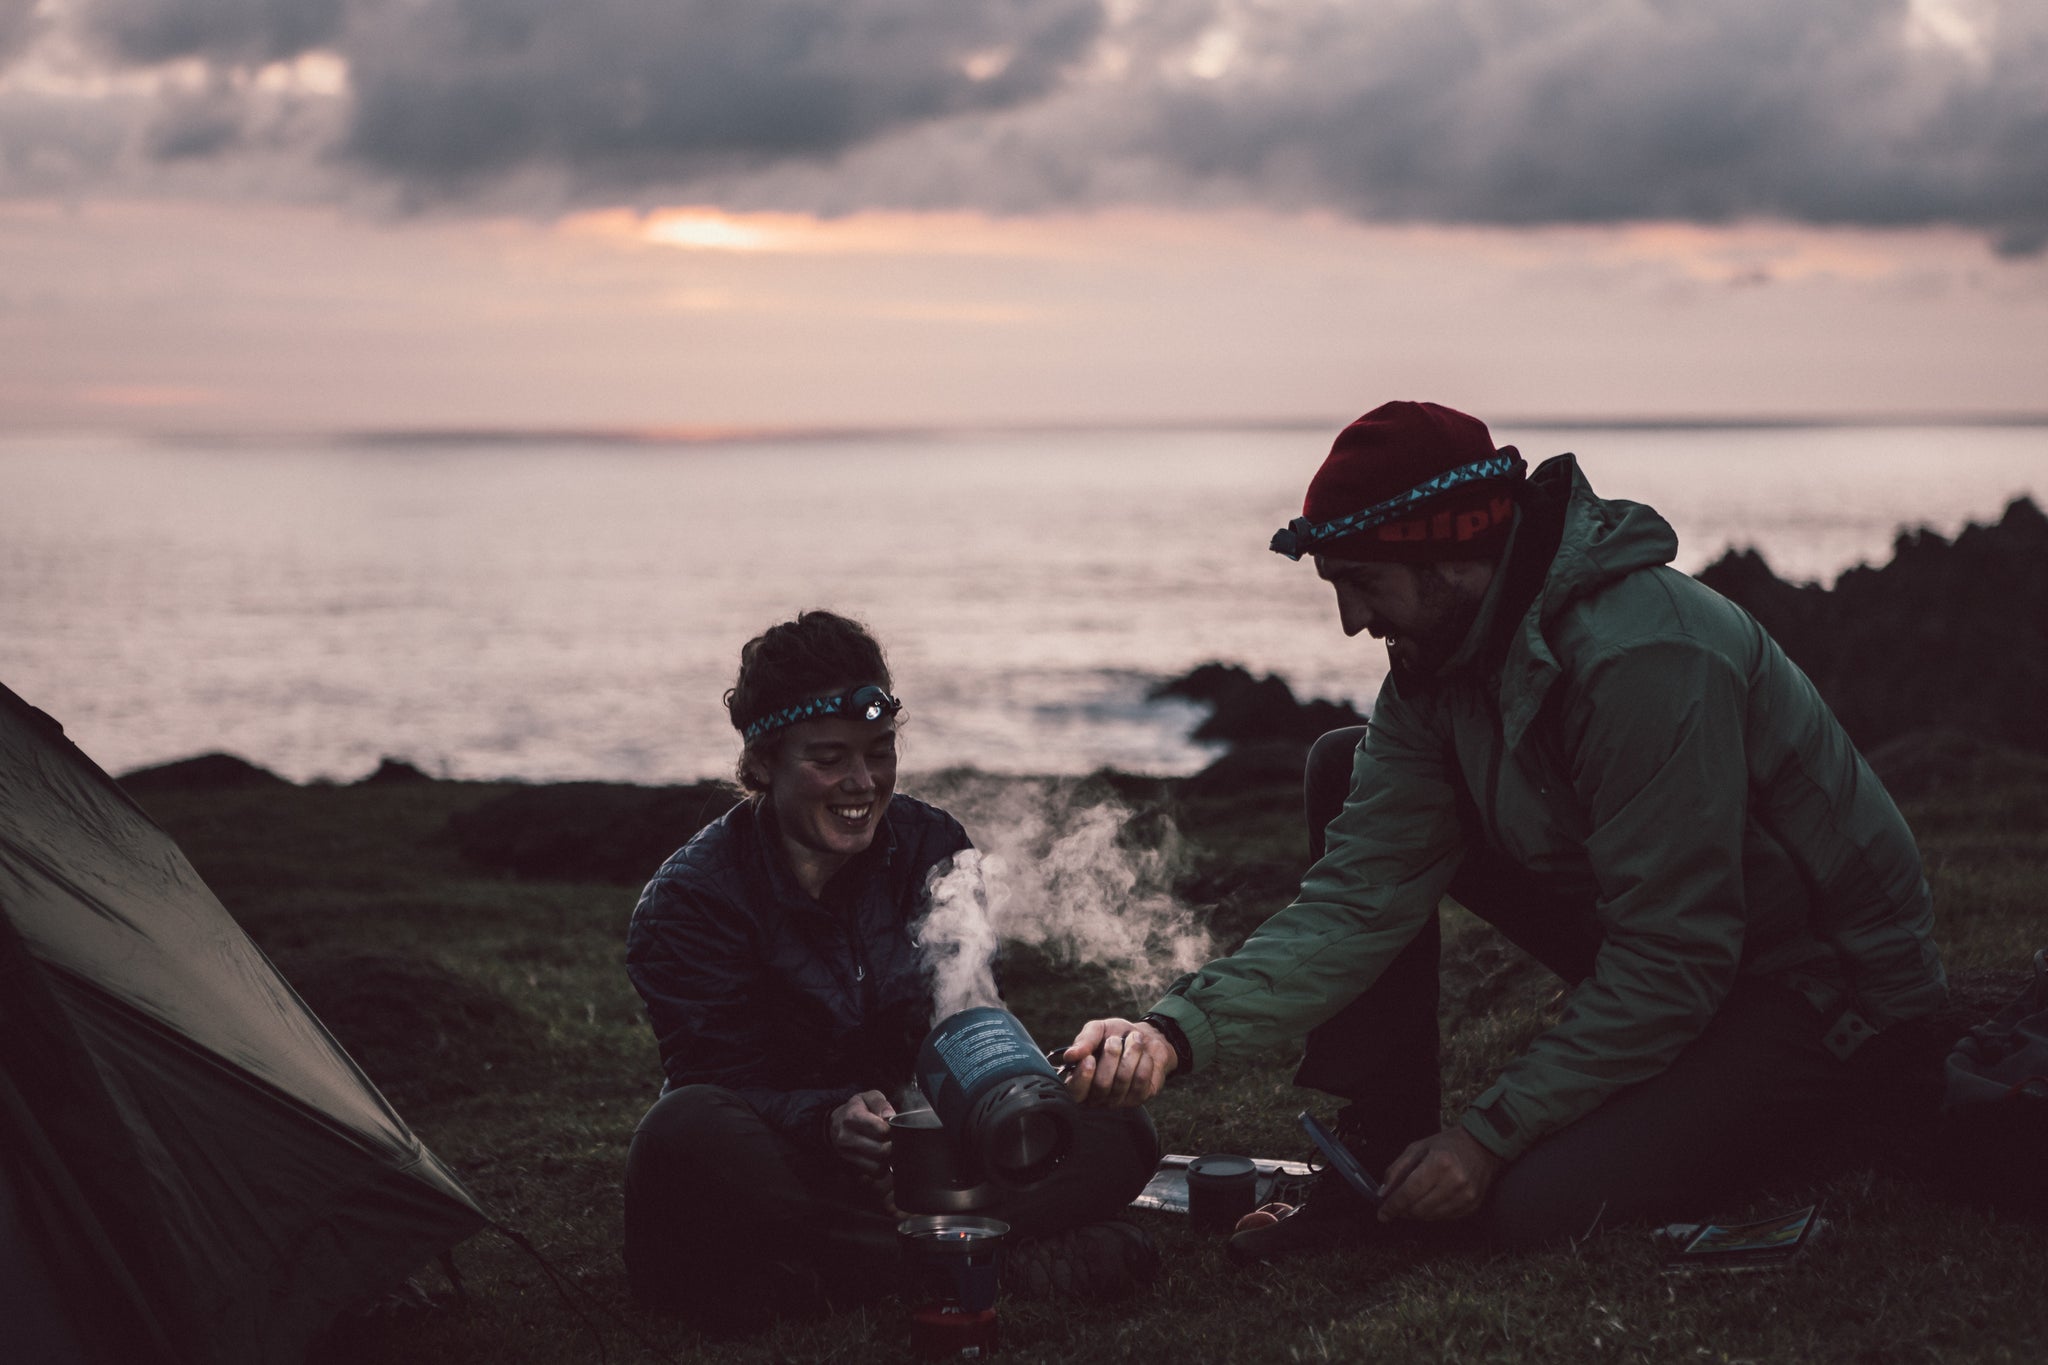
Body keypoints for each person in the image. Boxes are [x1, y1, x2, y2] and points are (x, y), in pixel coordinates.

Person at [1061, 401, 1946, 1261]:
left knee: (1523, 1206)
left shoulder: (1642, 659)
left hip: (1816, 989)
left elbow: (1677, 960)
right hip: (1681, 945)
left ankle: (1821, 1114)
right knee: (1344, 761)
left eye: (1363, 583)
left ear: (1445, 553)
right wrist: (1172, 1032)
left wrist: (1487, 1138)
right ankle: (1381, 1144)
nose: (1351, 622)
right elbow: (1357, 900)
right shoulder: (1436, 666)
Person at [622, 610, 1160, 1331]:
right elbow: (715, 1079)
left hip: (926, 1156)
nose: (862, 782)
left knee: (1123, 1133)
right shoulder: (691, 899)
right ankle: (972, 1255)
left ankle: (853, 1270)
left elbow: (966, 1019)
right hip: (789, 1160)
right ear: (762, 763)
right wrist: (826, 1118)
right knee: (684, 1131)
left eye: (880, 751)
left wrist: (1015, 1085)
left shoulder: (931, 843)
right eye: (828, 757)